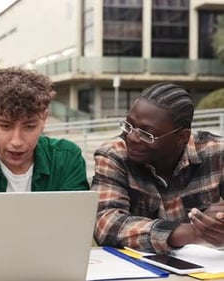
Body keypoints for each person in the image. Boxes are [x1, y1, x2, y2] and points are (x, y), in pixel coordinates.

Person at [92, 82, 224, 253]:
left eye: (147, 134)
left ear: (182, 137)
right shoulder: (114, 154)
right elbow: (105, 224)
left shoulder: (216, 152)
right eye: (129, 125)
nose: (132, 137)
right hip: (139, 271)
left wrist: (218, 222)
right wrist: (194, 232)